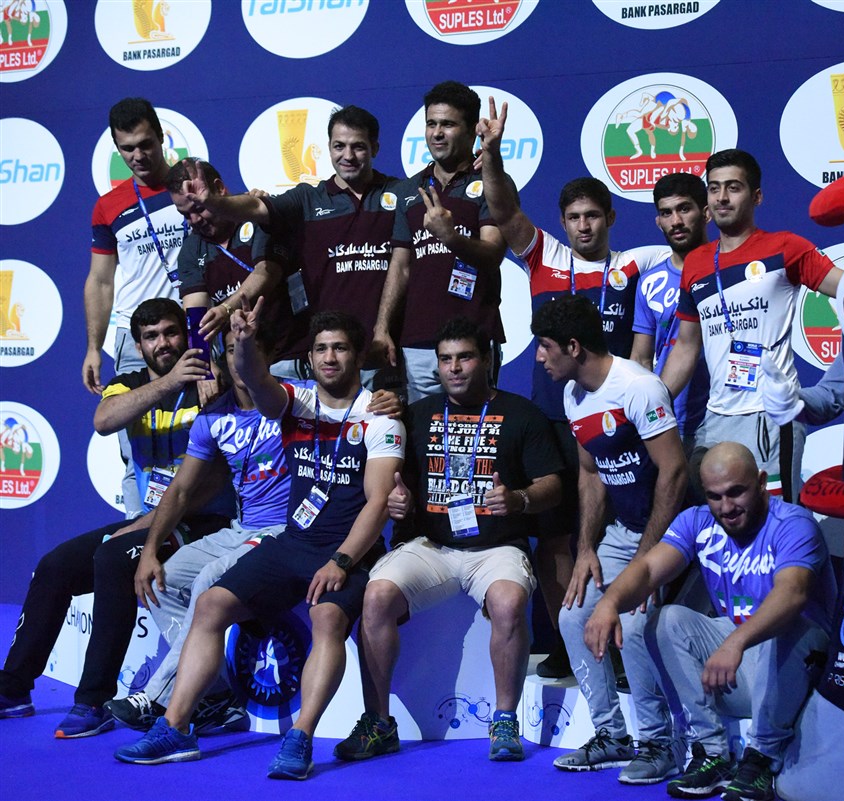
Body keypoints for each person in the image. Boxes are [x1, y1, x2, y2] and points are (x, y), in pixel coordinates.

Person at [114, 305, 404, 780]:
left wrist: (341, 560)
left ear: (357, 356)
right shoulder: (296, 402)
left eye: (340, 348)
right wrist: (245, 342)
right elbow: (254, 380)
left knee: (327, 618)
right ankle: (176, 728)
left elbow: (377, 504)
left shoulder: (380, 417)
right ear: (310, 358)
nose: (330, 357)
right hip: (292, 542)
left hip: (349, 551)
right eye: (321, 349)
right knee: (210, 604)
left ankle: (300, 737)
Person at [478, 97, 669, 678]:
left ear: (610, 217)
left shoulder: (637, 265)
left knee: (619, 530)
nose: (584, 226)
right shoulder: (545, 257)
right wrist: (491, 155)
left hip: (617, 419)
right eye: (574, 217)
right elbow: (504, 210)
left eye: (593, 216)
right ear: (562, 223)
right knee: (557, 536)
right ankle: (569, 642)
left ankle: (624, 642)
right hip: (550, 420)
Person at [336, 317, 563, 763]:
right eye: (445, 359)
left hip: (497, 548)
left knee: (508, 603)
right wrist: (399, 502)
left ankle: (504, 720)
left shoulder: (522, 414)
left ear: (487, 360)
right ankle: (378, 722)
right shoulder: (417, 415)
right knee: (377, 596)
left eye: (465, 357)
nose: (454, 368)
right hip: (432, 546)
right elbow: (397, 487)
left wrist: (518, 499)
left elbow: (552, 485)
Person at [0, 299, 231, 736]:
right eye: (151, 337)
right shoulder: (128, 383)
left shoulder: (211, 385)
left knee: (112, 559)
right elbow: (104, 420)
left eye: (171, 332)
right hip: (150, 519)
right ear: (138, 346)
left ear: (186, 335)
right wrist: (169, 383)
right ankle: (13, 689)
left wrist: (149, 525)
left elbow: (212, 480)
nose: (163, 343)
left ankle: (93, 701)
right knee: (55, 566)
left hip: (205, 520)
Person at [585, 442, 836, 801]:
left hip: (801, 667)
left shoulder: (793, 524)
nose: (727, 507)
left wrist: (736, 642)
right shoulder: (698, 521)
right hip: (743, 666)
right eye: (715, 496)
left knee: (786, 624)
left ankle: (762, 759)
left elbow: (792, 594)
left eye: (736, 492)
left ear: (761, 482)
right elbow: (648, 569)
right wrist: (609, 603)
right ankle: (710, 751)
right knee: (664, 620)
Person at [532, 295, 688, 785]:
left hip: (672, 532)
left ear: (573, 347)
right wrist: (585, 549)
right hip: (621, 532)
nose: (539, 356)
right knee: (573, 615)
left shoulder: (639, 388)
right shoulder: (573, 394)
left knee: (636, 626)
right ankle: (611, 735)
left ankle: (659, 743)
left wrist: (645, 564)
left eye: (546, 346)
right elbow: (590, 473)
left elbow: (674, 473)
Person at [104, 325, 290, 734]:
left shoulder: (294, 399)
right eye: (232, 351)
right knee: (164, 579)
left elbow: (350, 404)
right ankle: (216, 695)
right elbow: (181, 489)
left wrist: (387, 398)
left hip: (285, 530)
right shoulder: (214, 416)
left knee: (208, 579)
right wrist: (149, 550)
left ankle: (157, 697)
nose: (241, 361)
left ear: (266, 356)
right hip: (241, 528)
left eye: (249, 350)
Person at [174, 106, 406, 388]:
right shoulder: (307, 199)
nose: (347, 156)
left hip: (387, 347)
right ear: (328, 147)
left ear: (375, 148)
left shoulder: (400, 193)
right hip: (328, 356)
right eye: (339, 146)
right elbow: (256, 206)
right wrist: (213, 202)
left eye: (358, 146)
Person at [659, 149, 842, 503]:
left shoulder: (785, 247)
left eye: (733, 187)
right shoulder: (696, 263)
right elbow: (686, 347)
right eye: (714, 188)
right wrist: (654, 400)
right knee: (721, 522)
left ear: (756, 196)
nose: (722, 197)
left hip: (770, 416)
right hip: (716, 418)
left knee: (776, 522)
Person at [85, 98, 189, 516]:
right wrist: (93, 347)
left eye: (146, 144)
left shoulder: (191, 186)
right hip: (135, 337)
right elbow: (100, 280)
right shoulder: (108, 206)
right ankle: (136, 530)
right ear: (117, 148)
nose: (138, 156)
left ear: (162, 137)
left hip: (194, 329)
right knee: (137, 448)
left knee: (212, 435)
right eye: (127, 148)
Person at [392, 81, 509, 403]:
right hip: (416, 341)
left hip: (473, 337)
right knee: (421, 429)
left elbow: (493, 254)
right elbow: (400, 268)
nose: (437, 133)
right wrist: (382, 329)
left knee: (473, 426)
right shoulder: (409, 190)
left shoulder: (492, 182)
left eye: (448, 124)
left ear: (472, 132)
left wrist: (450, 237)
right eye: (431, 124)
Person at [166, 158, 309, 369]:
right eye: (185, 214)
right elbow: (195, 315)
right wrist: (205, 366)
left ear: (219, 189)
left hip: (292, 355)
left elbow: (268, 272)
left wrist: (226, 309)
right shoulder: (191, 249)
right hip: (241, 367)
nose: (194, 220)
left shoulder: (258, 215)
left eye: (199, 208)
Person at [630, 173, 711, 453]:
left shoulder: (727, 271)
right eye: (666, 213)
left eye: (684, 209)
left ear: (706, 213)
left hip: (722, 417)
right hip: (669, 422)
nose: (676, 221)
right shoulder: (649, 282)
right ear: (658, 221)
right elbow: (641, 358)